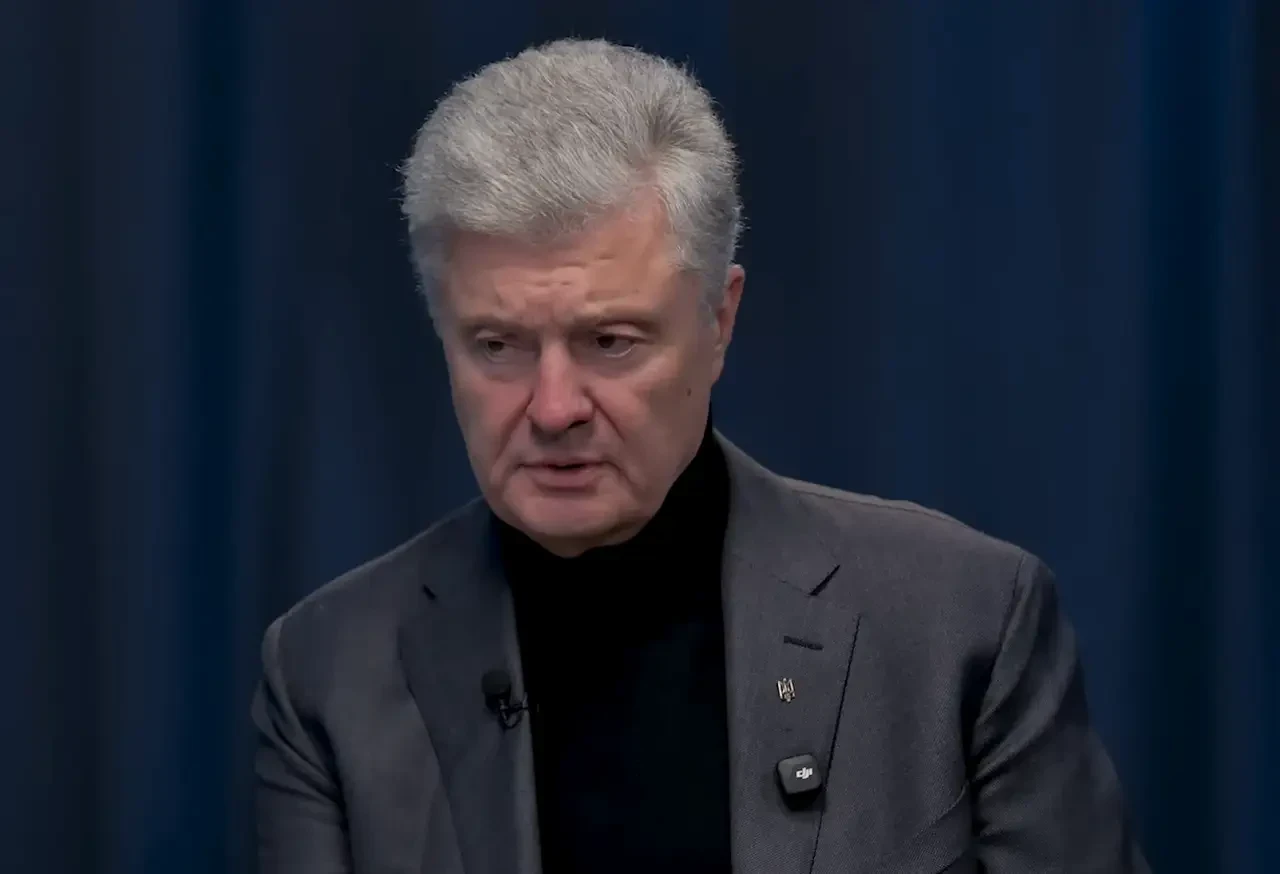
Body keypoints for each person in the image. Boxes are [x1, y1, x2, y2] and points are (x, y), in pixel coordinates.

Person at [251, 38, 1149, 874]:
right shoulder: (330, 671)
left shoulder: (963, 624)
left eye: (610, 341)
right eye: (497, 346)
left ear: (718, 321)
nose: (554, 408)